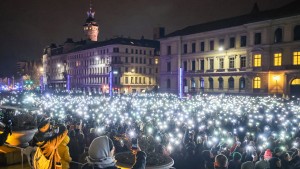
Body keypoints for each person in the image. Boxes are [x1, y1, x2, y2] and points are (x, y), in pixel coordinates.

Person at [82, 136, 146, 169]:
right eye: (112, 149)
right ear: (105, 152)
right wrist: (140, 154)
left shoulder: (85, 166)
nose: (114, 151)